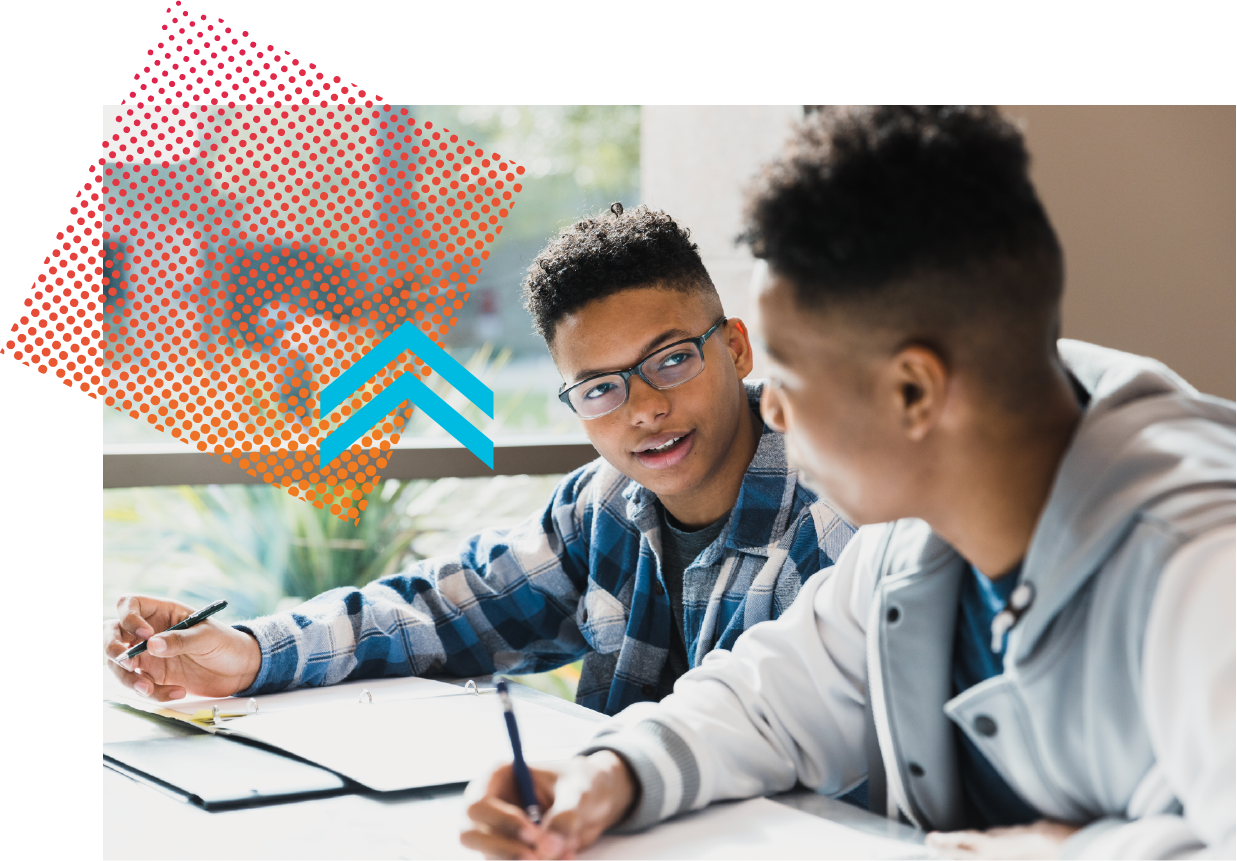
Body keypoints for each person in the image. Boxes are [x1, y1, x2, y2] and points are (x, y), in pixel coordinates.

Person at [459, 107, 1235, 861]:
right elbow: (766, 699)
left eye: (790, 378)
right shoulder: (918, 531)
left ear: (912, 394)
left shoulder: (1204, 567)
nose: (771, 406)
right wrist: (606, 772)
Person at [101, 204, 855, 718]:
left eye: (669, 360)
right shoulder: (601, 507)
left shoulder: (836, 524)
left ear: (733, 348)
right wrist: (247, 650)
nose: (642, 409)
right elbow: (436, 611)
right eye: (599, 388)